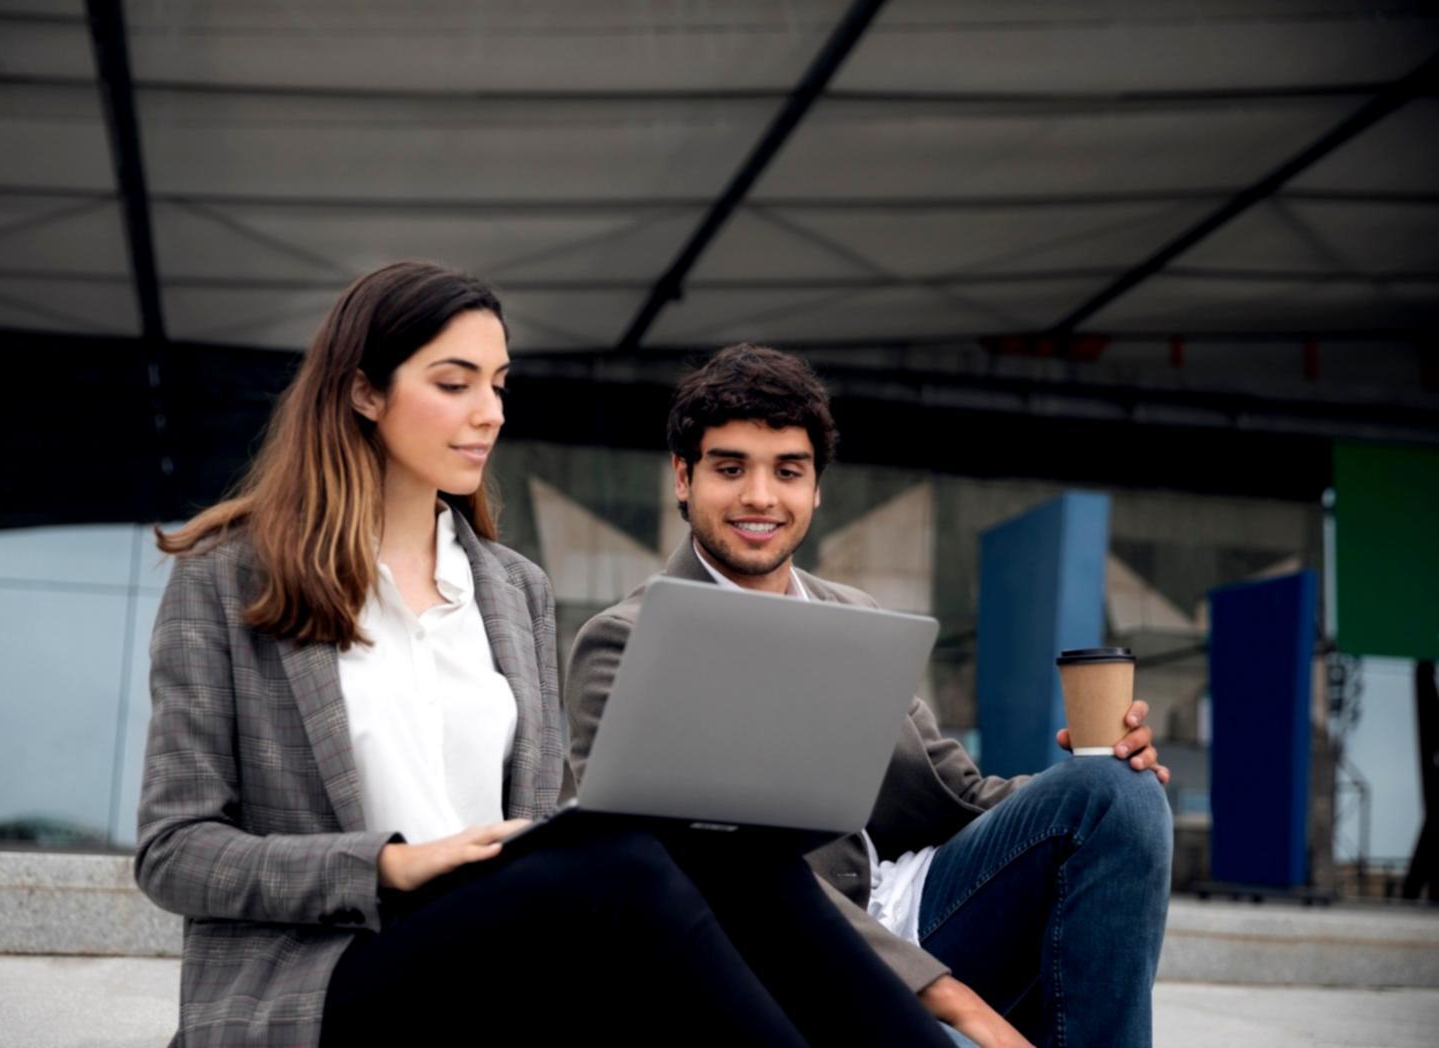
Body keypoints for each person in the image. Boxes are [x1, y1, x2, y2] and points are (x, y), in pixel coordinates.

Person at [136, 262, 951, 1047]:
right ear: (363, 392)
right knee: (626, 867)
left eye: (498, 385)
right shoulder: (227, 577)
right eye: (454, 384)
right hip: (331, 977)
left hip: (501, 949)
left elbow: (535, 817)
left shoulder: (510, 587)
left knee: (729, 853)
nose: (488, 412)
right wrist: (390, 865)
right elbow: (175, 852)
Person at [566, 343, 1174, 1048]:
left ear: (816, 487)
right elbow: (692, 872)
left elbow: (958, 795)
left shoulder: (856, 616)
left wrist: (1091, 777)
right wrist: (947, 996)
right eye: (730, 469)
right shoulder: (627, 641)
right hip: (773, 962)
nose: (760, 497)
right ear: (683, 477)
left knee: (1119, 791)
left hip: (917, 910)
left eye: (787, 471)